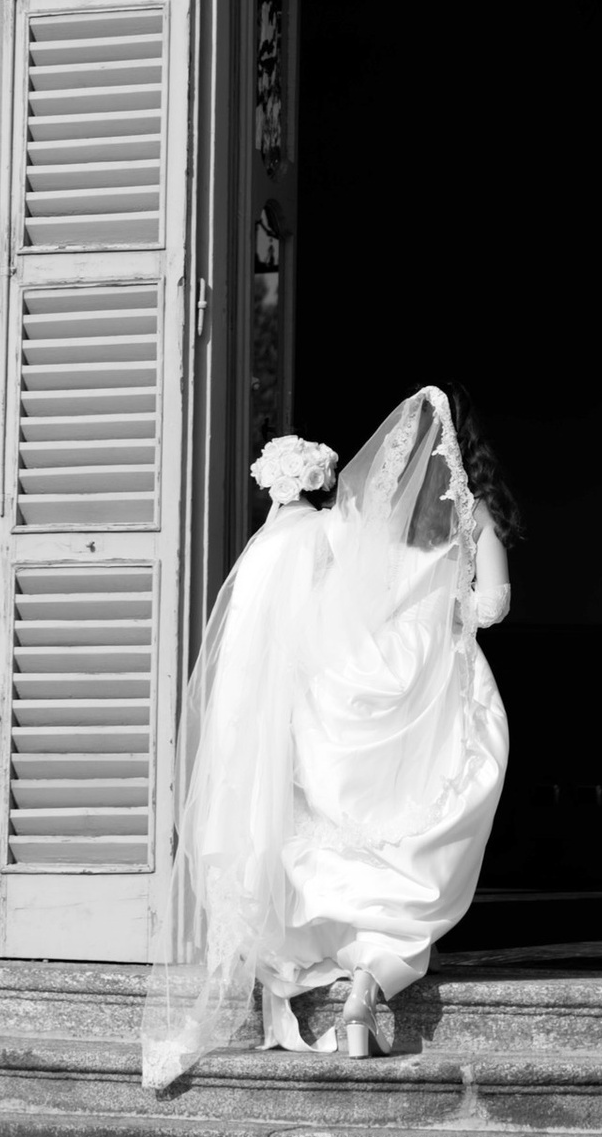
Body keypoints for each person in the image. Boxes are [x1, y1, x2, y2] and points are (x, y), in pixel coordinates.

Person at [141, 382, 515, 1091]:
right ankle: (366, 990)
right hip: (427, 673)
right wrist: (448, 605)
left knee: (341, 831)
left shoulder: (356, 519)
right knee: (422, 830)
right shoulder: (473, 517)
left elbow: (317, 597)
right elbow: (494, 607)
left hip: (354, 677)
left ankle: (342, 972)